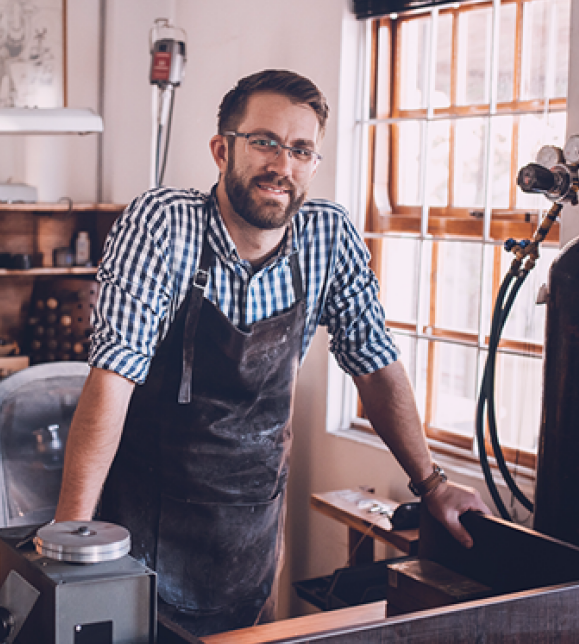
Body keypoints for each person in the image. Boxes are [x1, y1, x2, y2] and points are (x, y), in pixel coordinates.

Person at [54, 69, 490, 636]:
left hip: (250, 533)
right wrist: (70, 542)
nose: (281, 166)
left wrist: (432, 484)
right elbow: (112, 378)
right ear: (221, 149)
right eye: (264, 141)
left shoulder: (328, 237)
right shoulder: (163, 224)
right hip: (141, 523)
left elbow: (375, 364)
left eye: (301, 149)